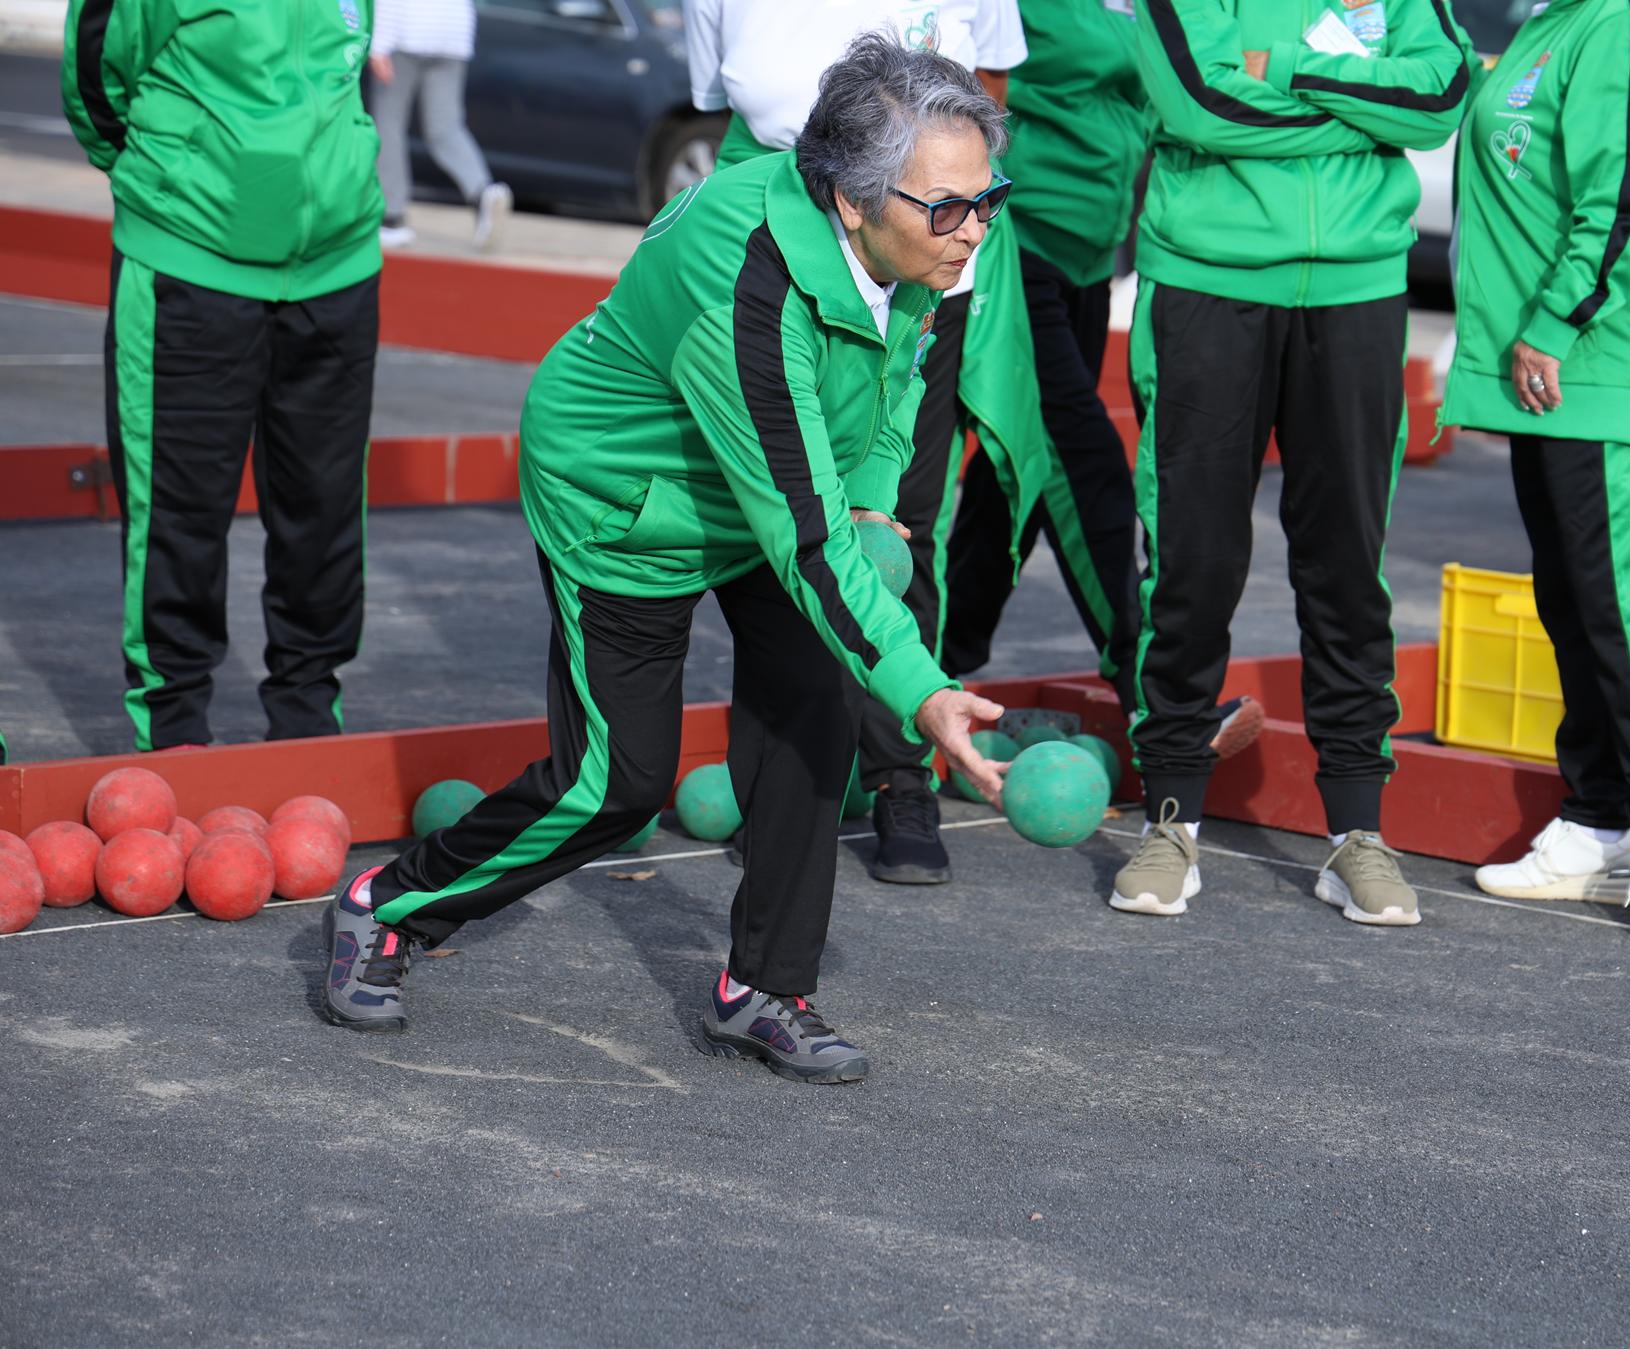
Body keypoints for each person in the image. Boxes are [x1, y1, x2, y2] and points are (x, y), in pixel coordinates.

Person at [321, 37, 1013, 1086]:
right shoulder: (751, 282)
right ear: (852, 199)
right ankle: (389, 905)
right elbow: (805, 538)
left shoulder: (919, 241)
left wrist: (872, 488)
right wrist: (921, 688)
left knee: (807, 719)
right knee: (619, 778)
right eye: (949, 207)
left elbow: (896, 378)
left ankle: (764, 987)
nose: (975, 227)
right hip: (626, 493)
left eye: (986, 196)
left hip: (767, 481)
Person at [1112, 0, 1473, 924]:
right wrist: (1359, 103)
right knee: (1194, 563)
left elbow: (1440, 96)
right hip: (1206, 281)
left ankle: (1358, 832)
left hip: (1359, 287)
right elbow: (1199, 106)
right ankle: (1172, 816)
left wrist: (1288, 70)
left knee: (1349, 566)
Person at [685, 0, 1050, 887]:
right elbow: (711, 102)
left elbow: (988, 89)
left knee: (898, 530)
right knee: (782, 539)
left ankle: (900, 778)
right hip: (788, 252)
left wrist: (942, 211)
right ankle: (774, 785)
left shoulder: (954, 228)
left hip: (913, 244)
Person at [1443, 0, 1630, 936]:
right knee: (1571, 595)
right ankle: (1599, 816)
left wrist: (1559, 316)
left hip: (1610, 352)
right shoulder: (1555, 20)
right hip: (1563, 363)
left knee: (1617, 601)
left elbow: (1625, 184)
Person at [61, 0, 382, 754]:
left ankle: (308, 719)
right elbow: (95, 73)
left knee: (324, 509)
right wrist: (174, 177)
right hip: (188, 251)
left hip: (339, 258)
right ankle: (174, 728)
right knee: (179, 507)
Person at [937, 0, 1149, 710]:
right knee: (1079, 458)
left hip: (1091, 252)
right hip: (1018, 243)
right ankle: (1153, 687)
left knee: (1012, 478)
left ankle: (936, 667)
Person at [369, 0, 513, 251]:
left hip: (406, 32)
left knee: (389, 125)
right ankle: (482, 192)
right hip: (453, 32)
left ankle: (392, 218)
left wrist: (378, 44)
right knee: (446, 129)